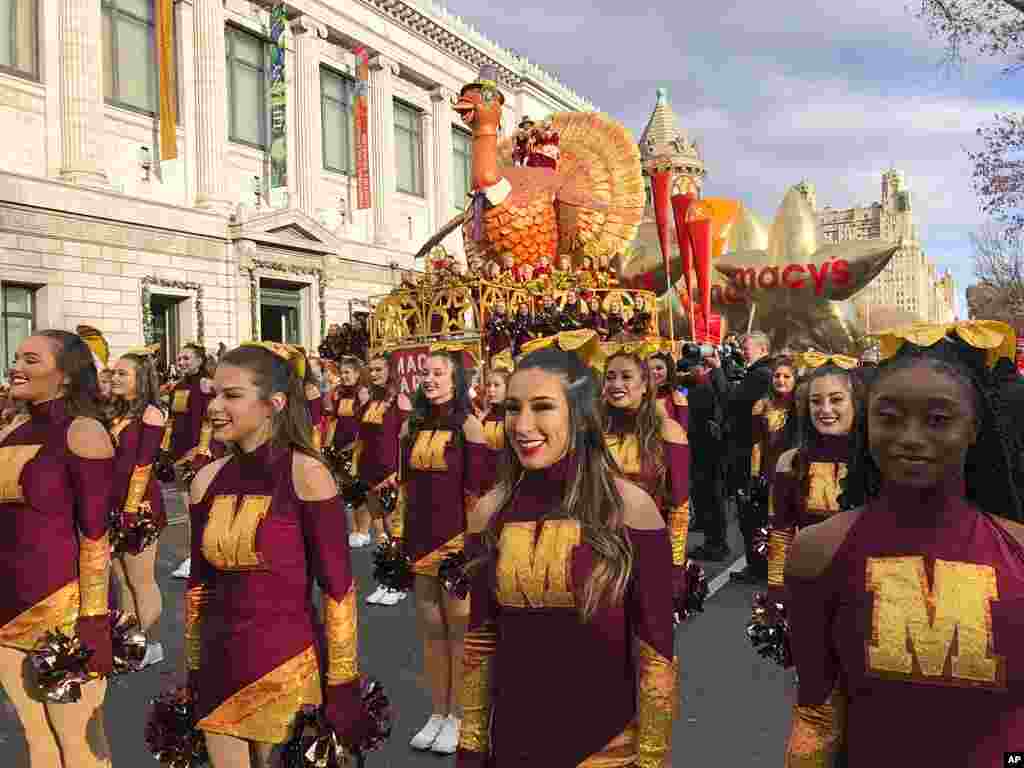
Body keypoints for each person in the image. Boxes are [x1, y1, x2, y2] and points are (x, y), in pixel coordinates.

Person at [784, 321, 1024, 766]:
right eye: (889, 418)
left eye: (938, 420)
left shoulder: (1017, 550)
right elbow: (816, 712)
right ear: (867, 424)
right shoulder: (819, 550)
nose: (911, 438)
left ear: (974, 429)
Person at [456, 344, 678, 767]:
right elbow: (481, 642)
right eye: (512, 408)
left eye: (542, 407)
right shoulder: (489, 512)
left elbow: (657, 652)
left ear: (578, 414)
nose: (523, 425)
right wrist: (471, 746)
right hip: (514, 746)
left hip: (606, 751)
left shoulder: (631, 509)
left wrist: (652, 759)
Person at [185, 342, 369, 768]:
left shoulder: (307, 474)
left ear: (274, 403)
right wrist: (193, 668)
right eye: (214, 393)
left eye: (232, 395)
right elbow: (198, 587)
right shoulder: (205, 481)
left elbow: (338, 588)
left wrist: (342, 681)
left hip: (286, 670)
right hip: (218, 666)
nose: (215, 406)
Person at [0, 330, 115, 768]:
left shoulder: (83, 431)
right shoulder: (13, 430)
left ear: (65, 377)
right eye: (16, 358)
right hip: (9, 606)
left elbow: (96, 534)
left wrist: (93, 618)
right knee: (35, 738)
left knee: (79, 744)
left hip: (65, 609)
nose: (16, 367)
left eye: (31, 359)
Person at [387, 348, 487, 754]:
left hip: (456, 541)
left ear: (456, 380)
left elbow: (477, 492)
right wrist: (397, 536)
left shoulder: (470, 425)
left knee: (460, 628)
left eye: (439, 373)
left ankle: (463, 715)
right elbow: (406, 488)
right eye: (426, 373)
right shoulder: (412, 425)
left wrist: (473, 547)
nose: (429, 379)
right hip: (419, 539)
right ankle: (438, 711)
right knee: (431, 630)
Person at [765, 355, 859, 598]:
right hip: (809, 591)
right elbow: (781, 534)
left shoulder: (877, 461)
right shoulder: (790, 461)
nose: (825, 410)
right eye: (816, 401)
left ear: (856, 403)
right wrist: (776, 594)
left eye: (836, 399)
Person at [602, 350, 691, 600]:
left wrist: (674, 567)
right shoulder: (592, 430)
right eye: (610, 377)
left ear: (644, 385)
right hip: (600, 553)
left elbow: (679, 507)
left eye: (626, 376)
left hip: (647, 551)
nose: (616, 384)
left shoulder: (668, 431)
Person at [108, 345, 168, 668]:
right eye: (114, 372)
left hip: (141, 506)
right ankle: (129, 644)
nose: (114, 377)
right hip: (113, 506)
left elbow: (143, 464)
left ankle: (148, 644)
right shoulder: (116, 412)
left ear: (140, 378)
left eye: (122, 373)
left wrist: (131, 509)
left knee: (141, 579)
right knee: (122, 581)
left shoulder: (151, 414)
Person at [740, 355, 799, 581]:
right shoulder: (761, 405)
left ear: (795, 380)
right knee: (766, 522)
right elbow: (756, 443)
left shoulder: (800, 407)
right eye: (777, 376)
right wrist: (755, 476)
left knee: (792, 521)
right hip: (768, 473)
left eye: (786, 376)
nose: (781, 380)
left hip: (795, 473)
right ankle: (763, 569)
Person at [720, 332, 774, 582]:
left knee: (751, 515)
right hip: (750, 452)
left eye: (747, 346)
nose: (743, 350)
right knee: (753, 513)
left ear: (762, 349)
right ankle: (758, 564)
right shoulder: (761, 373)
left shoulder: (760, 375)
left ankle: (758, 566)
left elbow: (734, 403)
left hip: (748, 454)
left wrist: (724, 381)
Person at [359, 352, 412, 604]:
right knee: (380, 531)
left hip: (391, 475)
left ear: (390, 371)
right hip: (369, 474)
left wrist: (398, 472)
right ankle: (385, 580)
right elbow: (364, 439)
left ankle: (398, 584)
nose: (374, 373)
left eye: (379, 369)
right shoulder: (369, 400)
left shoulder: (400, 400)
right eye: (371, 369)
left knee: (395, 530)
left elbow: (408, 439)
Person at [169, 343, 216, 580]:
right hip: (179, 456)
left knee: (200, 508)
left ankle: (202, 558)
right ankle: (197, 556)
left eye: (187, 358)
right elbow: (174, 422)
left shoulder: (207, 385)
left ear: (199, 361)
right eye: (180, 358)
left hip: (200, 454)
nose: (182, 362)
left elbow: (210, 420)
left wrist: (201, 451)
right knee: (189, 509)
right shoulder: (177, 387)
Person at [478, 361, 510, 492]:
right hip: (484, 484)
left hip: (506, 482)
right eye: (488, 385)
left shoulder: (514, 416)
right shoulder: (483, 417)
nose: (491, 390)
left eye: (496, 385)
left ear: (508, 387)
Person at [649, 350, 687, 428]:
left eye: (659, 368)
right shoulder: (641, 392)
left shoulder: (678, 393)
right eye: (650, 369)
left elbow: (683, 426)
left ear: (668, 369)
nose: (654, 372)